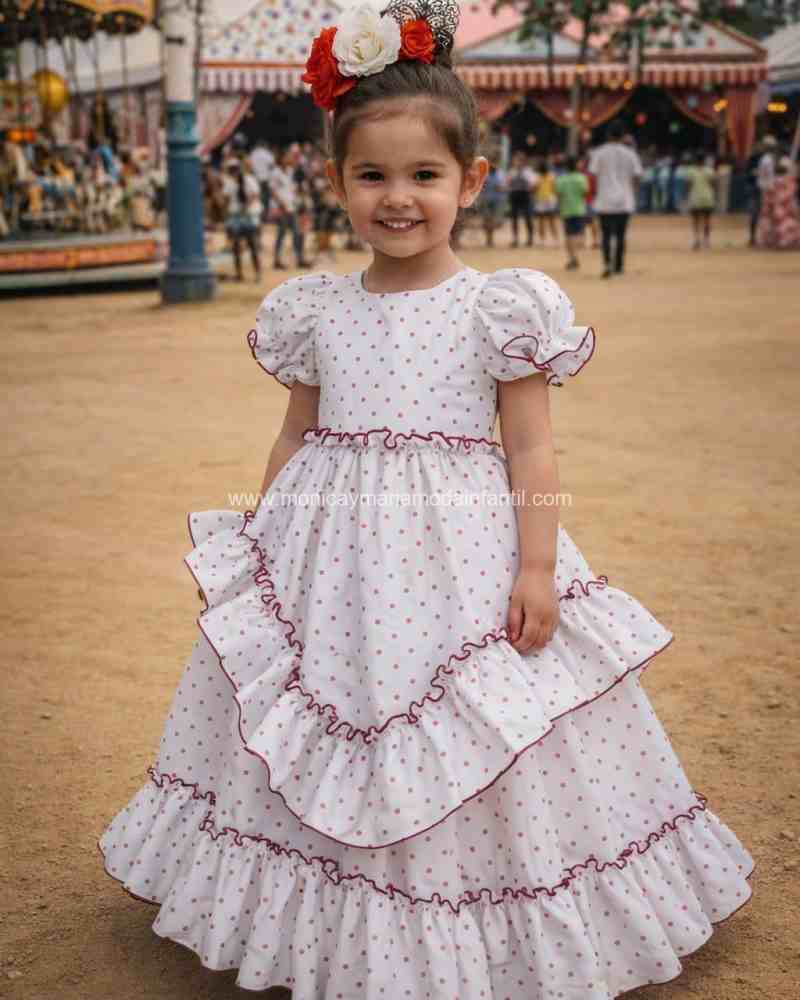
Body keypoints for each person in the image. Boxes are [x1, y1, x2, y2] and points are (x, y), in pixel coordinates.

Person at [98, 0, 754, 994]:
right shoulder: (315, 308)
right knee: (321, 718)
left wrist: (536, 567)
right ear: (334, 181)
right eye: (371, 175)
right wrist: (257, 555)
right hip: (327, 566)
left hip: (461, 559)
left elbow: (531, 447)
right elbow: (293, 433)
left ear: (469, 181)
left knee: (481, 728)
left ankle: (483, 918)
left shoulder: (499, 307)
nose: (396, 198)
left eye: (422, 176)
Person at [589, 120, 643, 277]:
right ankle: (618, 266)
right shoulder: (630, 154)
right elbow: (637, 175)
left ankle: (607, 263)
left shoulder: (599, 153)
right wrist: (633, 190)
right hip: (625, 200)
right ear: (622, 136)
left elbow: (592, 174)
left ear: (608, 135)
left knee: (605, 234)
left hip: (604, 200)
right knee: (621, 234)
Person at [269, 146, 313, 269]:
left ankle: (299, 258)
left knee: (296, 232)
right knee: (282, 233)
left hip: (291, 206)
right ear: (281, 158)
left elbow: (291, 189)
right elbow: (273, 191)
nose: (289, 158)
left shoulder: (289, 171)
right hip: (281, 207)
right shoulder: (275, 172)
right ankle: (278, 259)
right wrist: (281, 204)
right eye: (287, 156)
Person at [221, 155, 262, 281]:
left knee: (252, 245)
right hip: (236, 217)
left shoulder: (248, 180)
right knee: (237, 246)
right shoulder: (229, 183)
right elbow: (226, 201)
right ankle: (240, 273)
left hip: (247, 216)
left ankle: (257, 273)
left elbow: (255, 195)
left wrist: (246, 205)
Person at [756, 154, 800, 249]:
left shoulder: (780, 182)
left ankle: (780, 242)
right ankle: (781, 242)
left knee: (780, 225)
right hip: (781, 207)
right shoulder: (784, 182)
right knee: (780, 225)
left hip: (781, 207)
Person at [554, 154, 588, 269]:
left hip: (566, 210)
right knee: (578, 235)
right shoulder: (581, 178)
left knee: (569, 235)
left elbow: (558, 194)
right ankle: (574, 257)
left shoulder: (561, 179)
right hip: (579, 209)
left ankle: (572, 258)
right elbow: (585, 192)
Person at [685, 150, 716, 250]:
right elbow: (713, 184)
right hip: (707, 198)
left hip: (695, 198)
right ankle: (706, 240)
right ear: (704, 160)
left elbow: (688, 185)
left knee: (695, 220)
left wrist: (688, 195)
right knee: (707, 220)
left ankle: (696, 240)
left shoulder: (690, 171)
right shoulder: (709, 170)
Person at [507, 150, 537, 248]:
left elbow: (533, 184)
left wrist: (529, 188)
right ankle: (515, 239)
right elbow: (508, 183)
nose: (518, 162)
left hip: (525, 195)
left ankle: (530, 238)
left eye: (520, 160)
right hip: (515, 194)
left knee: (528, 217)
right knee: (514, 218)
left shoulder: (528, 171)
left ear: (524, 161)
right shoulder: (512, 171)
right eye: (517, 160)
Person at [476, 158, 507, 247]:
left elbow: (504, 187)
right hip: (486, 200)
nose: (493, 165)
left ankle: (491, 239)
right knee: (487, 219)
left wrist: (501, 188)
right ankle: (488, 239)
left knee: (493, 220)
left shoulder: (501, 174)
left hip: (497, 200)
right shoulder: (484, 174)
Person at [534, 155, 560, 247]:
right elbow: (555, 188)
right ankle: (551, 239)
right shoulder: (549, 176)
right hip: (547, 199)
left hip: (546, 199)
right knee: (549, 220)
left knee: (546, 220)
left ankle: (549, 239)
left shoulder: (546, 176)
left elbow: (535, 188)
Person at [248, 138, 275, 223]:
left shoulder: (253, 154)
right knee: (266, 199)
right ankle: (265, 217)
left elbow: (250, 165)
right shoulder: (267, 153)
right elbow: (272, 166)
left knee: (257, 198)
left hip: (256, 179)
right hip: (266, 179)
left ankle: (258, 217)